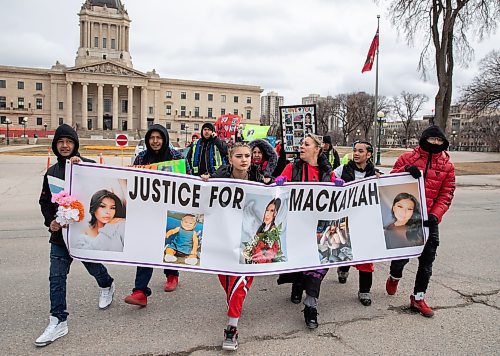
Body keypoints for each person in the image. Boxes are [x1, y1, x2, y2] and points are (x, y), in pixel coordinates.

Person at [37, 124, 115, 347]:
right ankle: (58, 320)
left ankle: (107, 284)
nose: (64, 146)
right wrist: (50, 221)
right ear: (55, 145)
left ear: (75, 145)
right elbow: (44, 202)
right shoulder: (51, 173)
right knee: (56, 278)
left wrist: (85, 169)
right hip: (60, 237)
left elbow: (105, 190)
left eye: (68, 142)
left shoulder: (87, 166)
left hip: (84, 232)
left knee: (93, 266)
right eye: (60, 142)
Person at [201, 142, 273, 351]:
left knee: (240, 279)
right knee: (226, 278)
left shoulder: (260, 180)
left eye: (248, 156)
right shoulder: (218, 179)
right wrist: (204, 183)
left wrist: (275, 184)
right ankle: (233, 301)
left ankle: (231, 327)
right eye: (239, 156)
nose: (244, 160)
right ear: (230, 159)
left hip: (249, 239)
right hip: (222, 237)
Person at [385, 125, 455, 317]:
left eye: (439, 141)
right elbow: (390, 181)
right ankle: (394, 275)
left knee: (427, 260)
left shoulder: (447, 165)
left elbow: (447, 193)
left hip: (429, 220)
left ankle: (418, 297)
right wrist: (405, 170)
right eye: (432, 139)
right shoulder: (407, 158)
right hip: (408, 218)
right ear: (424, 139)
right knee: (402, 256)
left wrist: (436, 215)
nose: (435, 143)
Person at [276, 133, 343, 329]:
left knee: (320, 263)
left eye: (306, 144)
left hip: (320, 227)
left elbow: (337, 199)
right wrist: (278, 182)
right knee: (300, 260)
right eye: (301, 144)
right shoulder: (292, 167)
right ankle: (297, 285)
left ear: (317, 149)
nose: (301, 147)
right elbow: (278, 188)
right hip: (298, 225)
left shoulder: (326, 172)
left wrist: (339, 187)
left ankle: (311, 305)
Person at [124, 124, 189, 305]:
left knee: (170, 242)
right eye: (152, 138)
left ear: (165, 139)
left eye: (158, 138)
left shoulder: (176, 157)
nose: (155, 141)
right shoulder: (141, 157)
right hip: (148, 211)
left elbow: (189, 179)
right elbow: (132, 181)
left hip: (171, 209)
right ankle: (140, 291)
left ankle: (172, 274)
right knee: (146, 248)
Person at [333, 140, 378, 306]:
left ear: (369, 154)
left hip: (365, 222)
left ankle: (364, 291)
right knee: (345, 250)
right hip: (345, 219)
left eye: (360, 151)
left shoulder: (375, 174)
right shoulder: (343, 170)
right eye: (355, 150)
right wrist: (333, 182)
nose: (356, 154)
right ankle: (343, 269)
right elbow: (328, 179)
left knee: (366, 256)